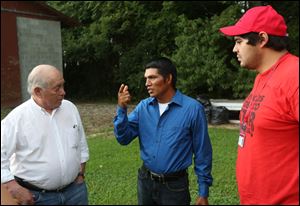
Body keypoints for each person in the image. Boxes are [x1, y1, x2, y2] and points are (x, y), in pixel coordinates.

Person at [219, 5, 299, 205]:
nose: (234, 49)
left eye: (239, 41)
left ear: (262, 39)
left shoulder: (294, 76)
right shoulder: (263, 76)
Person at [113, 57, 213, 205]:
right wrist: (121, 109)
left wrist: (203, 191)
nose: (147, 83)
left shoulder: (192, 109)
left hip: (174, 187)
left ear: (168, 79)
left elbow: (202, 152)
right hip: (145, 181)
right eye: (146, 78)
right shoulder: (143, 108)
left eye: (152, 77)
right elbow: (123, 138)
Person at [1, 64, 90, 205]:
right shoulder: (16, 119)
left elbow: (81, 144)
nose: (63, 92)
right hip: (38, 198)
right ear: (38, 92)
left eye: (63, 86)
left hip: (75, 192)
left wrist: (80, 175)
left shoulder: (70, 108)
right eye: (57, 88)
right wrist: (12, 186)